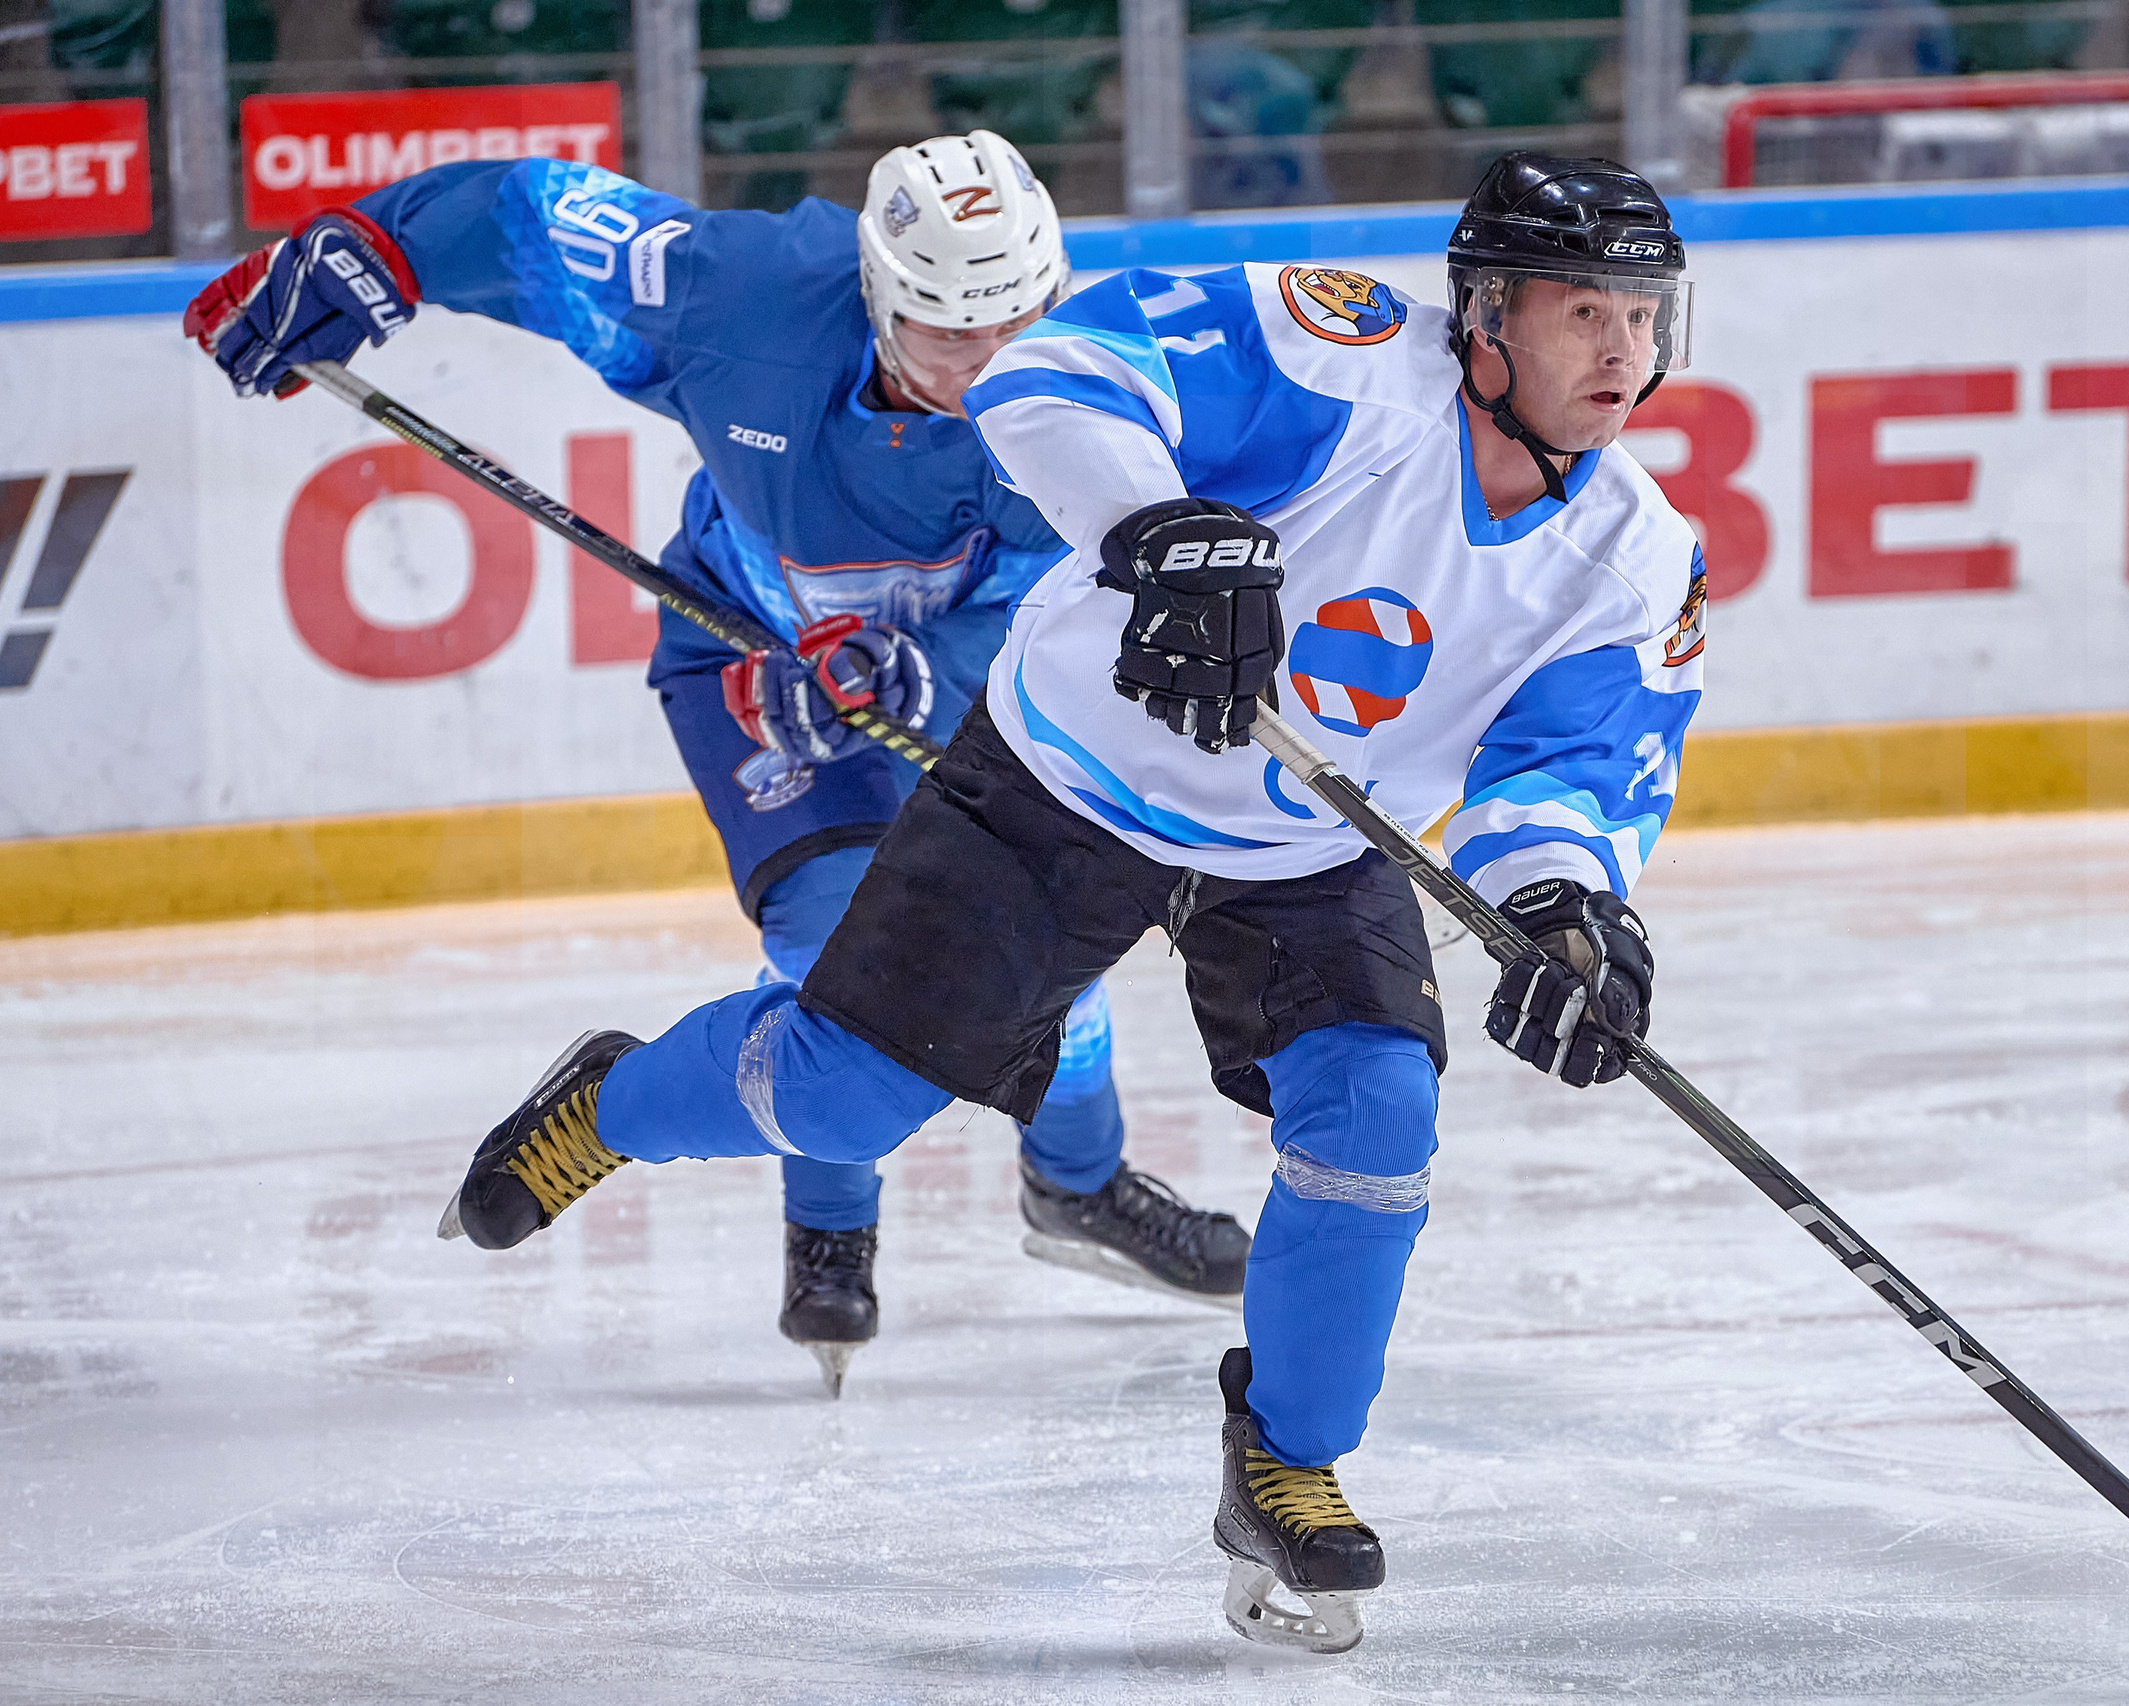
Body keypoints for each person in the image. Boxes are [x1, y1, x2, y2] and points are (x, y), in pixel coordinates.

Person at [431, 151, 1705, 1650]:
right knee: (839, 1103)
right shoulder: (1342, 351)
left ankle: (1288, 1455)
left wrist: (1564, 910)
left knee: (1373, 1118)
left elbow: (1572, 769)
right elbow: (1061, 365)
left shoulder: (1635, 555)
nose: (1622, 353)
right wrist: (1153, 526)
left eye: (1641, 315)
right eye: (1582, 312)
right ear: (1486, 314)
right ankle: (615, 1100)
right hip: (1068, 777)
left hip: (1303, 848)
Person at [180, 130, 1252, 1397]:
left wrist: (936, 669)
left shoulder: (1094, 389)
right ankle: (830, 1225)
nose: (994, 369)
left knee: (1049, 978)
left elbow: (1090, 606)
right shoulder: (745, 295)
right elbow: (532, 214)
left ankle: (1077, 1188)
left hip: (981, 692)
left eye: (1020, 321)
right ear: (876, 292)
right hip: (755, 667)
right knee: (840, 956)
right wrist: (382, 244)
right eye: (952, 336)